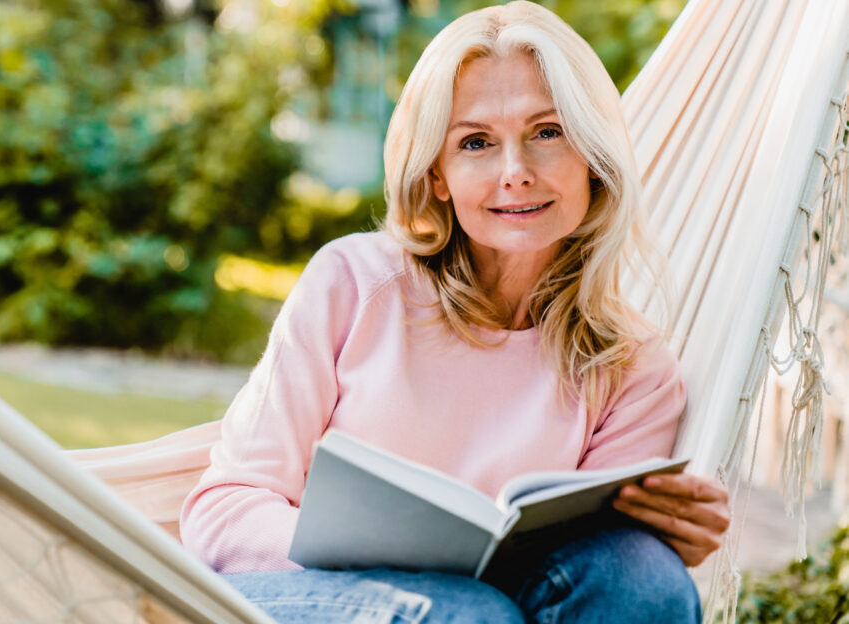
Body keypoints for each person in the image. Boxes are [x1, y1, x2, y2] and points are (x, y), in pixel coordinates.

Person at [180, 2, 730, 622]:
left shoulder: (631, 370)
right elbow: (224, 510)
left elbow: (597, 578)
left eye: (547, 132)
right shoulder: (355, 284)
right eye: (475, 143)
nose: (516, 173)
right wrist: (394, 575)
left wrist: (659, 538)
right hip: (300, 597)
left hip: (497, 605)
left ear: (592, 156)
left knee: (640, 578)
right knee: (469, 614)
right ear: (438, 175)